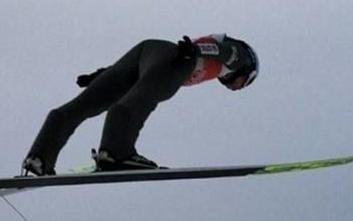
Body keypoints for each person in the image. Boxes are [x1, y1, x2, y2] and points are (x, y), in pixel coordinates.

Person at [22, 34, 260, 176]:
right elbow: (220, 50)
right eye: (245, 83)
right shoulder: (239, 55)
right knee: (141, 98)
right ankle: (116, 153)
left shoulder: (217, 65)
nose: (238, 88)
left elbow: (134, 71)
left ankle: (40, 157)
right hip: (176, 58)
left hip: (149, 52)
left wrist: (102, 76)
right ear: (247, 71)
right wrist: (194, 50)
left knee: (86, 104)